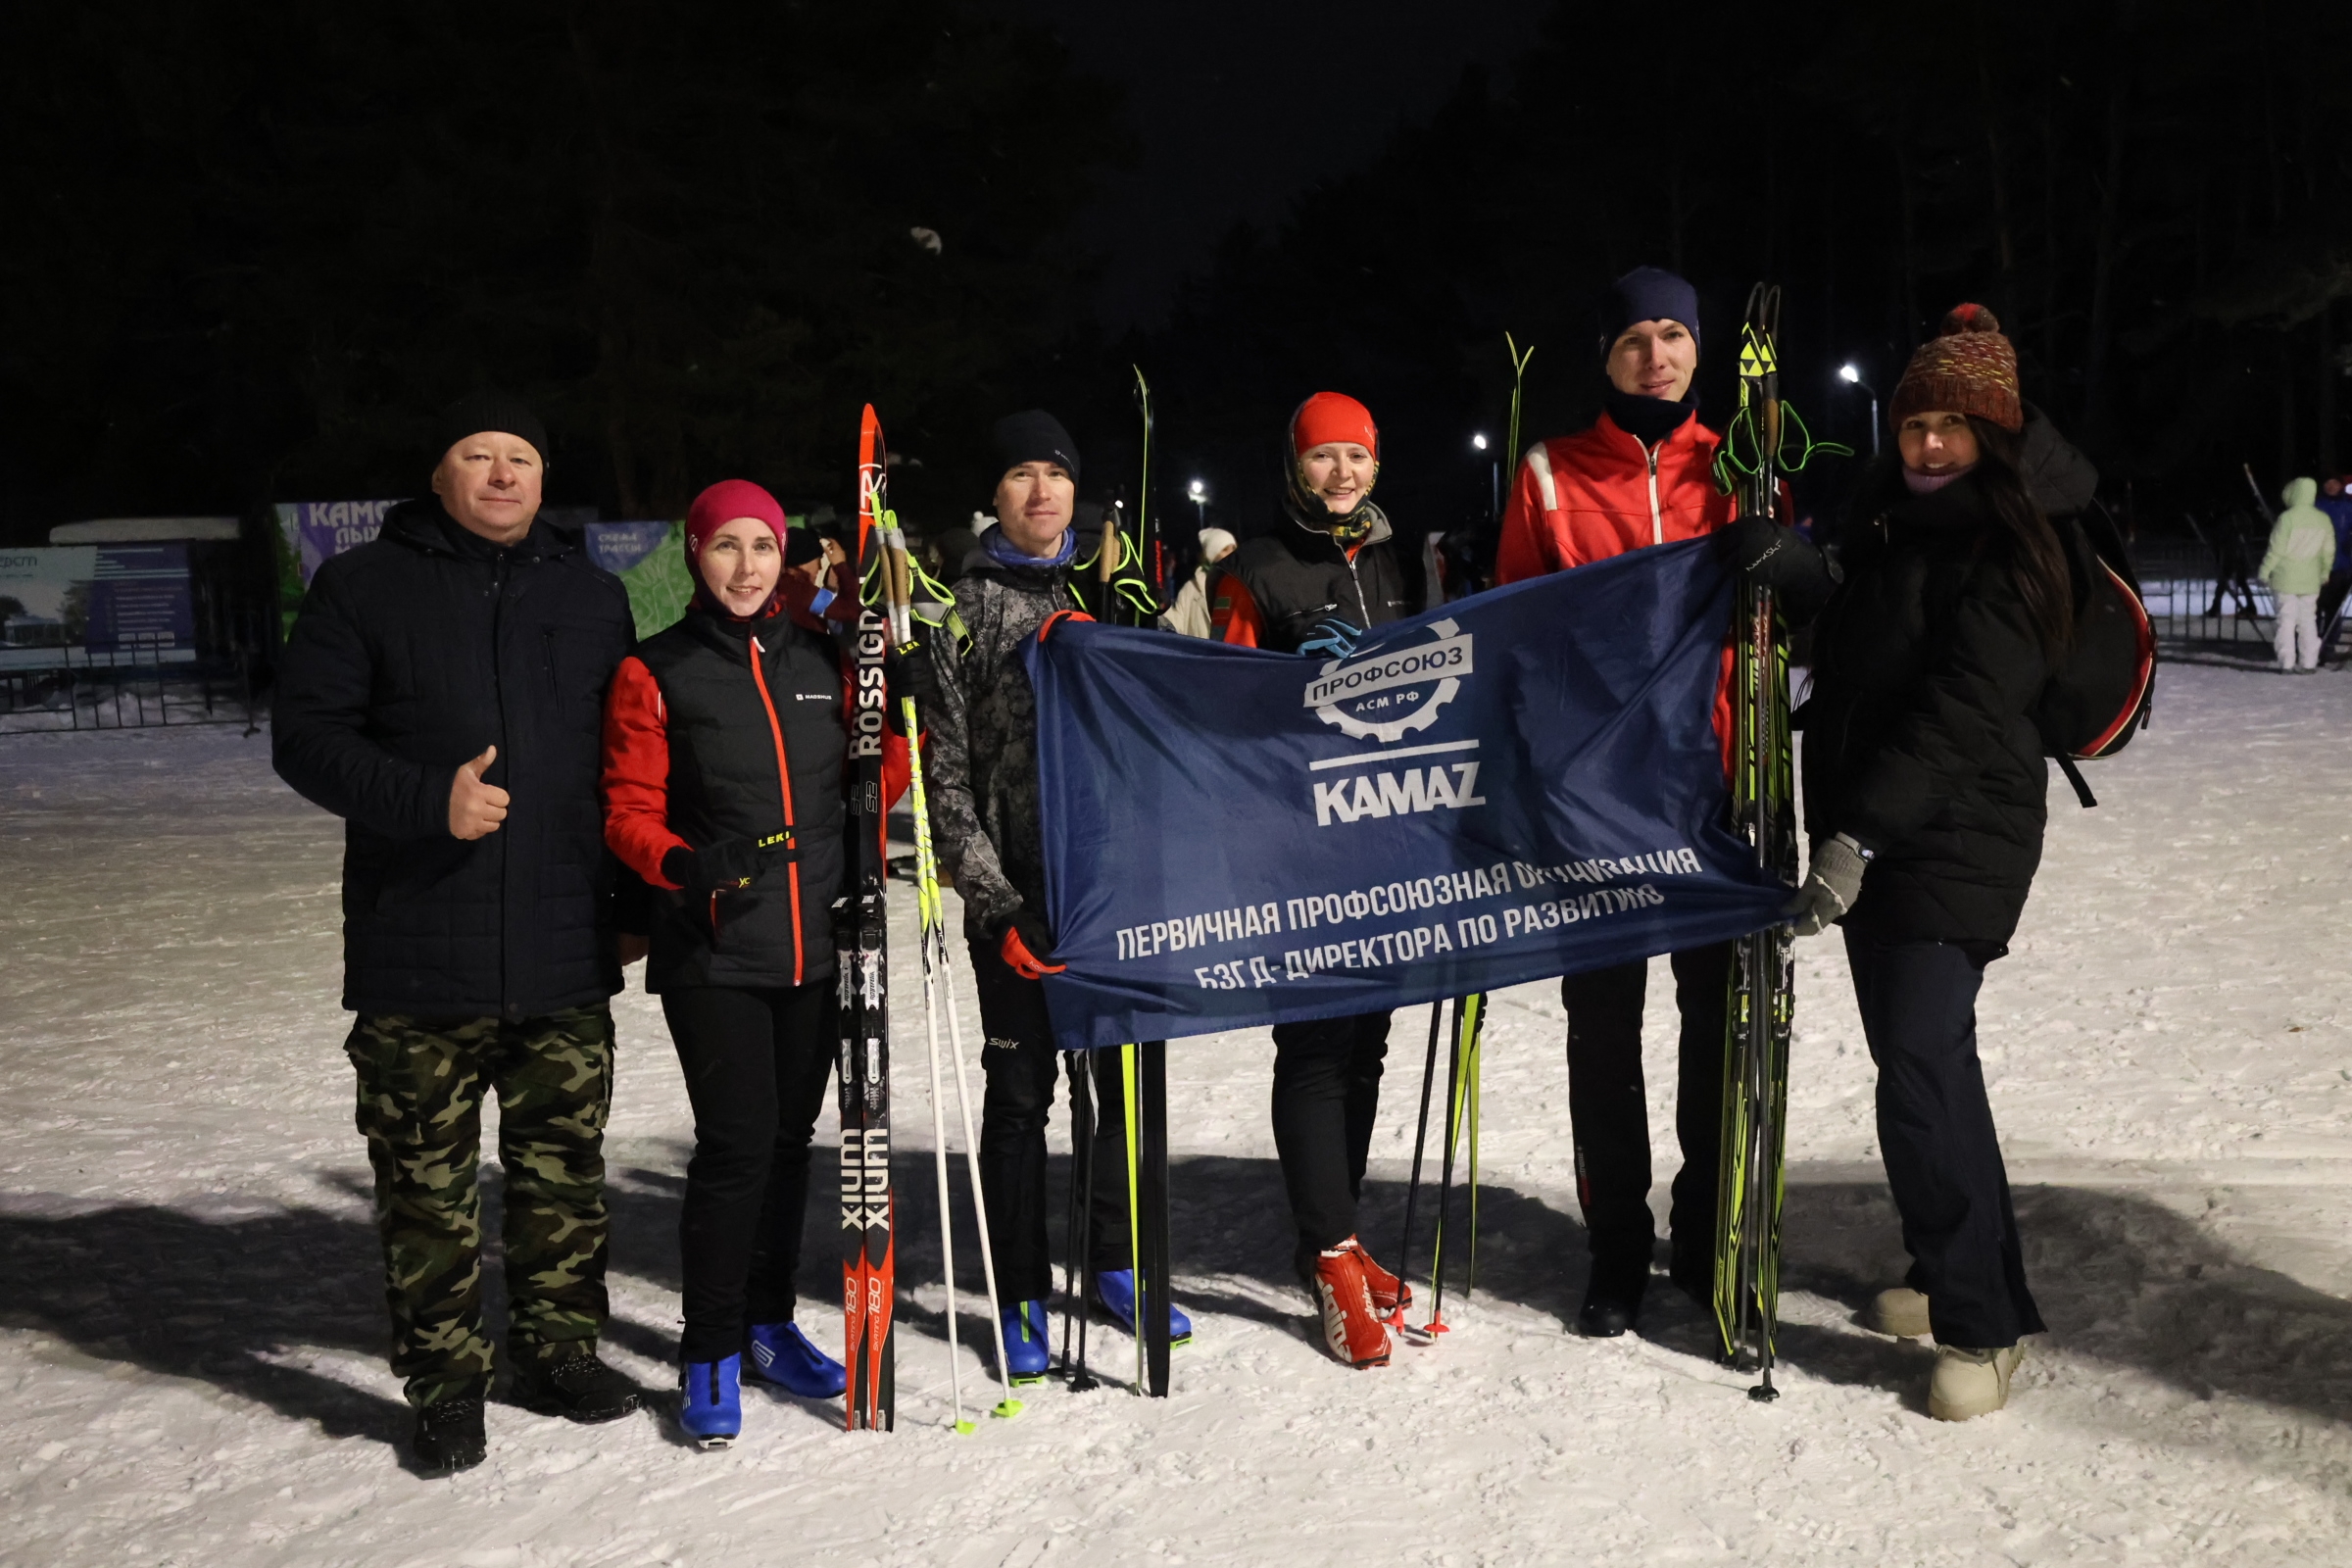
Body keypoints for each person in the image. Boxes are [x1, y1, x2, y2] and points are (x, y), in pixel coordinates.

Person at [272, 392, 639, 1474]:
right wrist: (425, 797)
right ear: (439, 475)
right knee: (426, 1195)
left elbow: (628, 763)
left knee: (562, 1177)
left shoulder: (592, 596)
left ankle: (558, 1353)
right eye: (478, 455)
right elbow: (306, 738)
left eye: (520, 456)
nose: (502, 474)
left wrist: (628, 906)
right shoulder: (361, 586)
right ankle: (445, 1387)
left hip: (563, 946)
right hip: (419, 949)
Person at [1750, 304, 2073, 1421]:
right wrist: (1799, 578)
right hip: (1881, 835)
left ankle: (1984, 1327)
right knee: (1922, 1070)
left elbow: (1960, 712)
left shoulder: (2017, 545)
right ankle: (1952, 1277)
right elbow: (1863, 648)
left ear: (1994, 433)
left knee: (1925, 1076)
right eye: (1915, 424)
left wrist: (1856, 837)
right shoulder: (1899, 525)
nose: (1929, 444)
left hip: (1951, 839)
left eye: (1952, 426)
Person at [601, 479, 891, 1446]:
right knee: (737, 1145)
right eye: (725, 546)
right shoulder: (657, 668)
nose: (745, 565)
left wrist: (900, 705)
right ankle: (710, 1348)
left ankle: (768, 1323)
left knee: (789, 1142)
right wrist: (682, 863)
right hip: (714, 946)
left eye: (761, 547)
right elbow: (627, 808)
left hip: (816, 944)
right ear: (695, 553)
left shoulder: (820, 658)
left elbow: (873, 777)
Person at [1493, 267, 1738, 1338]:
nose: (1656, 354)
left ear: (1699, 348)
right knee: (1603, 1027)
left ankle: (1708, 1226)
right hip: (1592, 796)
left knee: (1716, 1021)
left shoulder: (1740, 465)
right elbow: (1512, 629)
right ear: (1607, 354)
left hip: (1714, 790)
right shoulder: (1550, 472)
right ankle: (1618, 1245)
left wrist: (1794, 565)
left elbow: (1783, 623)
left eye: (1674, 333)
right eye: (1635, 336)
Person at [926, 410, 1182, 1383]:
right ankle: (1020, 1286)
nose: (1042, 492)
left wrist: (1145, 629)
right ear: (995, 495)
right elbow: (947, 780)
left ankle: (1116, 1259)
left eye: (1058, 475)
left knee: (1121, 1091)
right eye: (1021, 475)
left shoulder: (1108, 591)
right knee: (1021, 1098)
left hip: (1115, 889)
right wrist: (996, 903)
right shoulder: (963, 608)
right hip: (1020, 898)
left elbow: (1169, 726)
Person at [1209, 392, 1415, 1368]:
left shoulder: (1396, 560)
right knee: (1316, 1045)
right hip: (1299, 841)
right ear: (1295, 465)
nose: (1341, 474)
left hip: (1388, 836)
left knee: (1366, 1043)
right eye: (1323, 457)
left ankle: (1336, 1230)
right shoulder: (1255, 567)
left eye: (1356, 457)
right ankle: (1329, 1255)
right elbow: (1225, 705)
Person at [2261, 477, 2337, 672]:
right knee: (2308, 620)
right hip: (2310, 579)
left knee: (2286, 620)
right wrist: (2324, 572)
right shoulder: (2323, 519)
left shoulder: (2287, 518)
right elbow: (2328, 551)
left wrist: (2265, 571)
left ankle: (2287, 661)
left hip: (2285, 578)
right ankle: (2309, 661)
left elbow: (2276, 549)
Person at [1162, 527, 1238, 638]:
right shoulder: (1191, 589)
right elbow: (1176, 626)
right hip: (1200, 649)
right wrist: (1163, 606)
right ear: (1212, 555)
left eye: (1233, 548)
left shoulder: (1239, 586)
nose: (1232, 553)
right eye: (1225, 549)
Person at [2314, 477, 2352, 653]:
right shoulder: (2316, 506)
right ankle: (2311, 642)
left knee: (2334, 607)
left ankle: (2329, 642)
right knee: (2314, 606)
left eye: (2334, 483)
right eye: (2327, 483)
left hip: (2340, 564)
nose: (2331, 486)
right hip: (2316, 564)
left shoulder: (2348, 507)